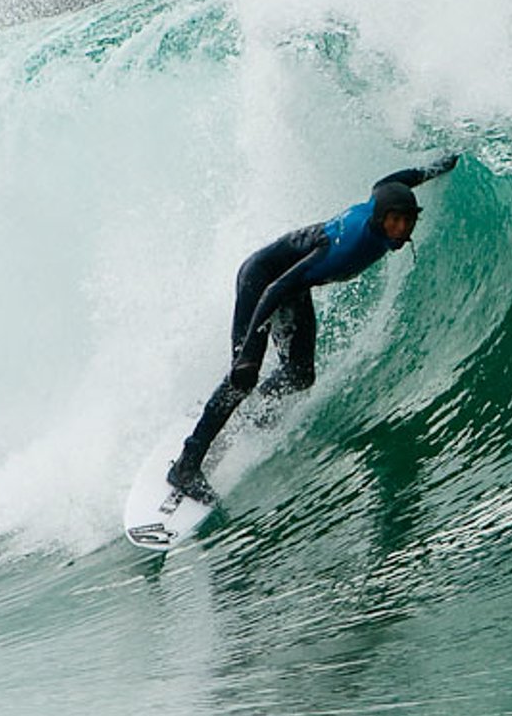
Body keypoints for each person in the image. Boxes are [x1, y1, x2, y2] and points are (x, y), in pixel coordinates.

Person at [167, 154, 459, 501]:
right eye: (395, 222)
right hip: (262, 283)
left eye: (408, 222)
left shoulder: (380, 202)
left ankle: (246, 418)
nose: (402, 230)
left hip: (290, 288)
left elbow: (392, 182)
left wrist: (438, 167)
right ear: (381, 218)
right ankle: (186, 465)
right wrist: (246, 353)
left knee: (300, 374)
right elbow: (274, 290)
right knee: (243, 375)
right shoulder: (350, 245)